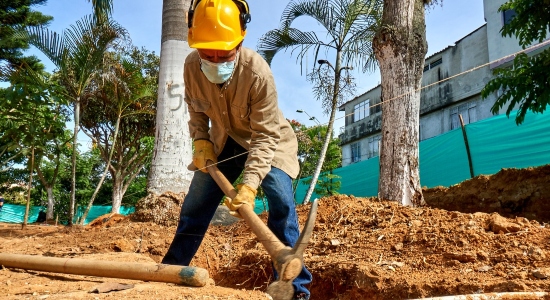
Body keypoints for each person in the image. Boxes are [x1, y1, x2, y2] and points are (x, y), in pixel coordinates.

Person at [161, 0, 312, 299]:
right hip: (224, 141)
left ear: (240, 40)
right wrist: (201, 141)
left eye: (224, 53)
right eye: (208, 53)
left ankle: (294, 288)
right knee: (195, 206)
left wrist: (250, 184)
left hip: (269, 142)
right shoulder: (191, 66)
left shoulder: (258, 73)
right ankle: (170, 271)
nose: (215, 60)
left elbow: (266, 135)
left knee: (281, 202)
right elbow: (196, 111)